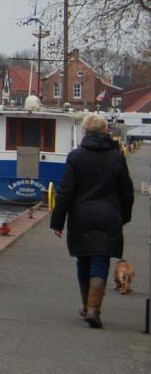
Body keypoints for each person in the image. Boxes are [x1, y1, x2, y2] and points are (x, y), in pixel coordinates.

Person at [51, 112, 134, 328]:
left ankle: (86, 304)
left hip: (81, 216)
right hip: (109, 216)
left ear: (86, 132)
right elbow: (127, 192)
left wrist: (57, 222)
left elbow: (66, 192)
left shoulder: (76, 156)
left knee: (84, 259)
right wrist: (124, 217)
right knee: (100, 260)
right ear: (106, 131)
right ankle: (94, 308)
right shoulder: (116, 157)